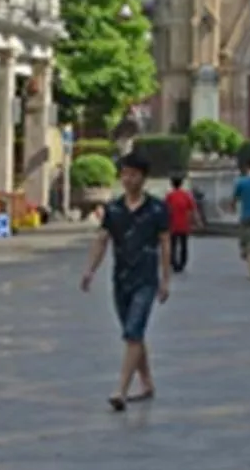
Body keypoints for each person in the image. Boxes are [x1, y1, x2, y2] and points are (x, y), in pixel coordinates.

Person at [80, 151, 172, 411]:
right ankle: (146, 382)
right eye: (124, 174)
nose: (128, 179)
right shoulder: (114, 209)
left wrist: (166, 279)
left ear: (143, 178)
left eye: (133, 174)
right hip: (121, 279)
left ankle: (121, 389)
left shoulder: (157, 209)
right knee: (134, 333)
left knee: (133, 332)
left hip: (146, 278)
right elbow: (102, 240)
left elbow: (166, 244)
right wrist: (90, 270)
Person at [162, 176, 197, 275]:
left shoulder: (169, 196)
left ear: (172, 184)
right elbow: (193, 209)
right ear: (181, 184)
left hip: (172, 224)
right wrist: (197, 222)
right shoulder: (186, 195)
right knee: (184, 245)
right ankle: (182, 263)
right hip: (184, 224)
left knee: (172, 245)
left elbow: (164, 210)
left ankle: (174, 263)